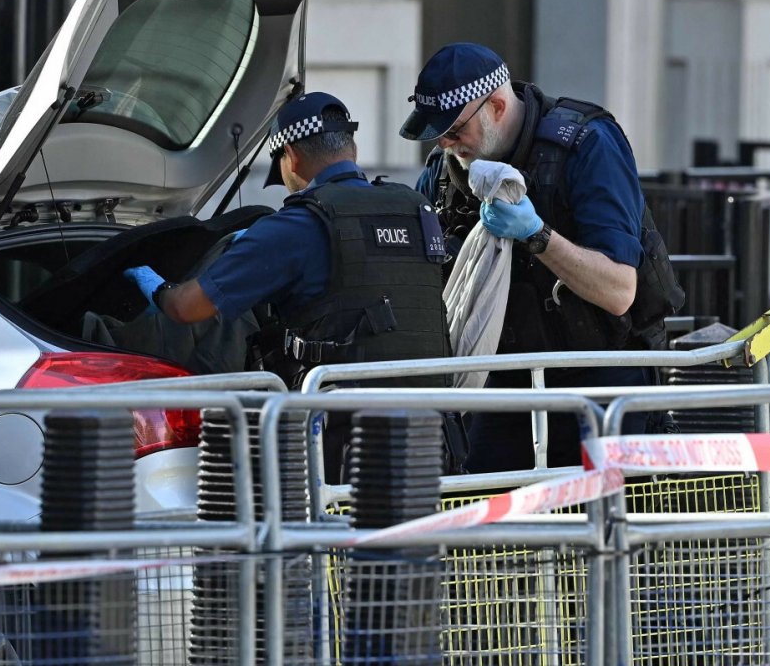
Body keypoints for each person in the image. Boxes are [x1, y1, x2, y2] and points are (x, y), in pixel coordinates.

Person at [400, 42, 681, 472]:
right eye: (437, 133)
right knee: (484, 528)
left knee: (603, 534)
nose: (445, 143)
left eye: (454, 131)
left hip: (601, 380)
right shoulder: (444, 170)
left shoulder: (586, 146)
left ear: (495, 106)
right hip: (506, 385)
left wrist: (538, 236)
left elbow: (620, 290)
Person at [122, 91, 450, 391]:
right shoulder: (416, 208)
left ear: (290, 157)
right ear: (353, 148)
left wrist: (153, 284)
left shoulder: (298, 225)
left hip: (346, 435)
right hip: (433, 425)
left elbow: (186, 307)